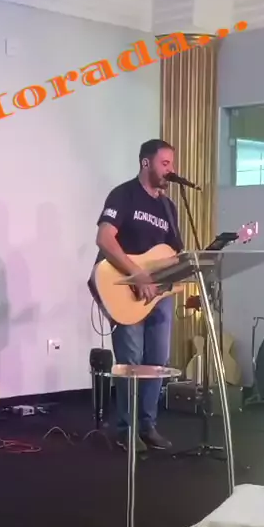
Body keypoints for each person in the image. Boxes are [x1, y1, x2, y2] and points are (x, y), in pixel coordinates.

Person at [94, 139, 183, 452]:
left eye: (172, 164)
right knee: (131, 361)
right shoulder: (124, 194)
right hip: (125, 289)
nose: (170, 170)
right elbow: (105, 238)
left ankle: (147, 425)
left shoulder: (168, 208)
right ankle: (125, 429)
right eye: (165, 163)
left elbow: (174, 254)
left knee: (157, 362)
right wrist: (137, 274)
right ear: (146, 163)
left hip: (159, 295)